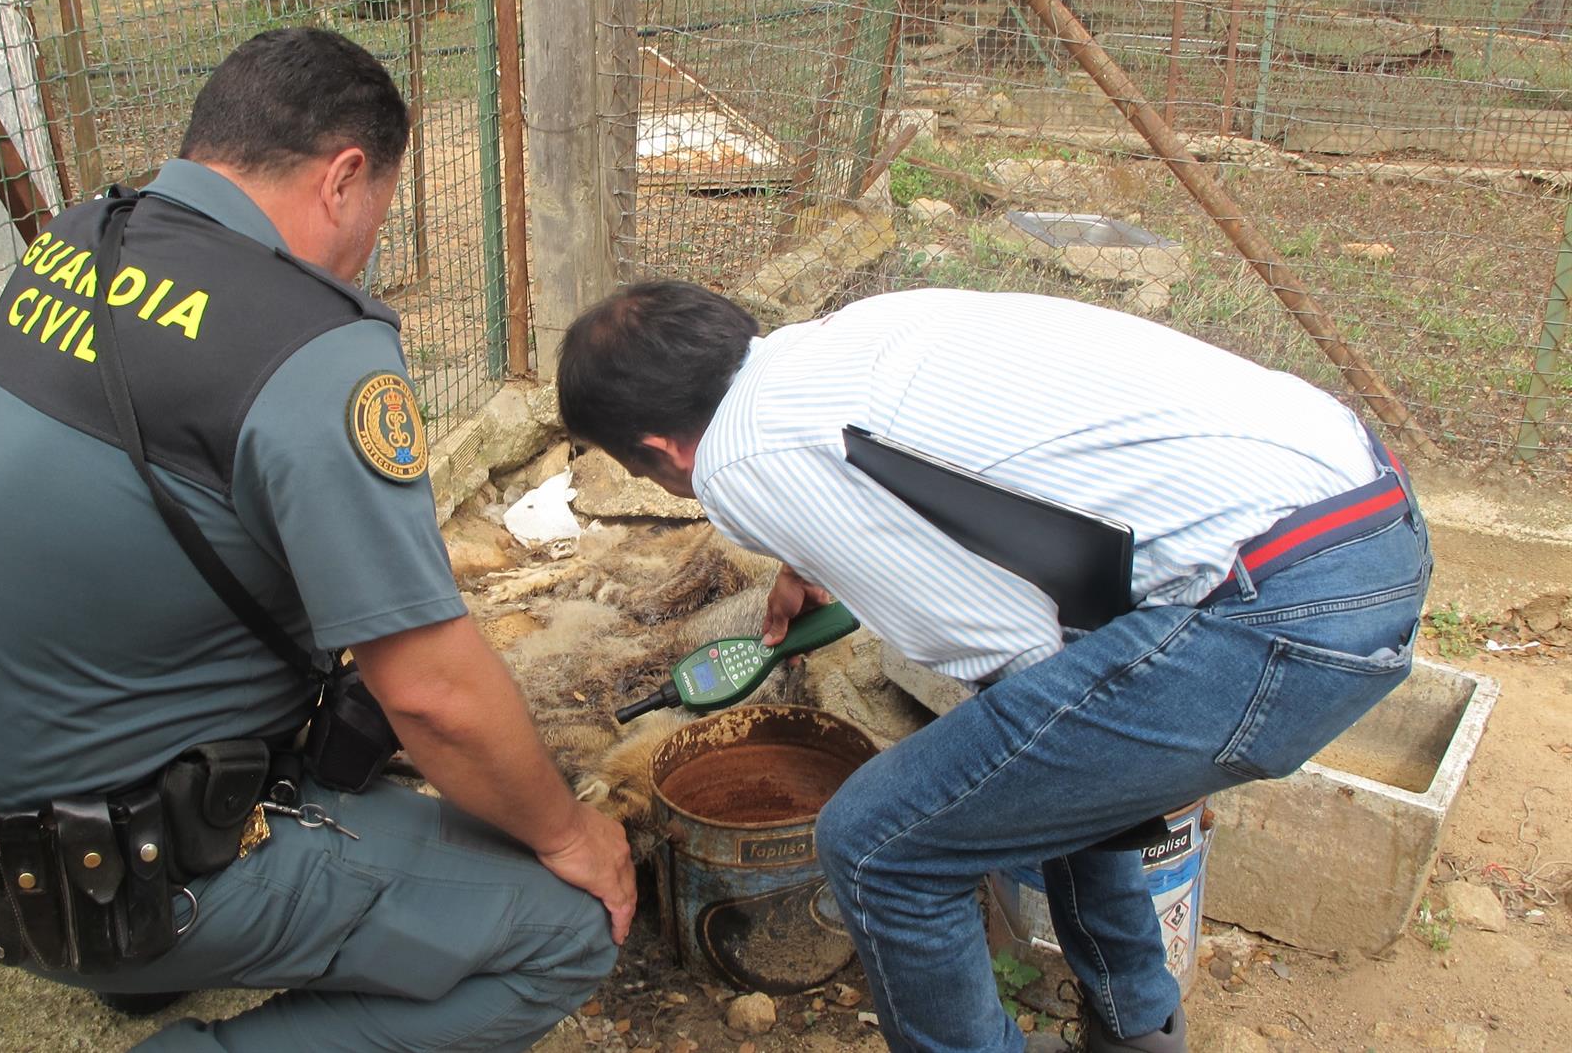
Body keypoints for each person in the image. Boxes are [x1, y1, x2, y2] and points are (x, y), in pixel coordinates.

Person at [0, 29, 632, 1053]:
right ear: (344, 178)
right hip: (112, 879)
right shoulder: (313, 350)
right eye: (381, 208)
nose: (371, 239)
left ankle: (141, 962)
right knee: (566, 930)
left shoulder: (79, 238)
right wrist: (570, 833)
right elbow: (433, 695)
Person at [555, 282, 1430, 1053]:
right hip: (1363, 513)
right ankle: (1137, 1031)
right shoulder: (835, 342)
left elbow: (1006, 642)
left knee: (877, 846)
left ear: (658, 450)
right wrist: (805, 552)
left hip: (1275, 607)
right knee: (1051, 761)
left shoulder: (733, 464)